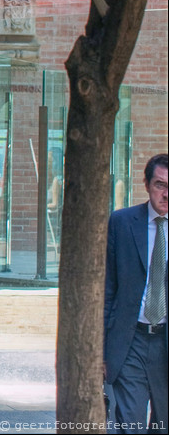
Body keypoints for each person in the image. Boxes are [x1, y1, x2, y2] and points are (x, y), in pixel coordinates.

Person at [105, 153, 168, 434]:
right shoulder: (121, 223)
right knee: (130, 425)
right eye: (159, 185)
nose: (166, 194)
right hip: (130, 341)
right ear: (146, 184)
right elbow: (107, 290)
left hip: (165, 344)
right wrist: (100, 351)